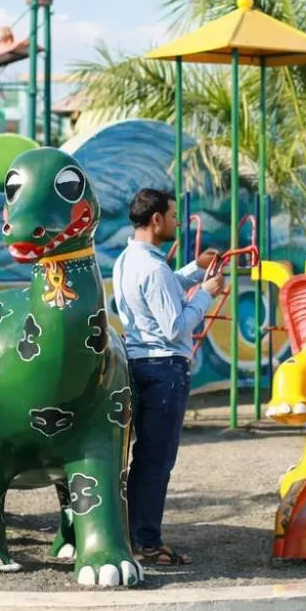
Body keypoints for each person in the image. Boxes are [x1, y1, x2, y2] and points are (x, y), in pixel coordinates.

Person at [111, 187, 225, 567]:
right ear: (156, 219)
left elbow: (160, 289)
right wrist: (205, 293)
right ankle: (147, 542)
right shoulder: (154, 268)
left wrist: (194, 271)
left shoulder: (128, 260)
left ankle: (130, 534)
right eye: (173, 216)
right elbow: (177, 325)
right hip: (165, 370)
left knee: (139, 457)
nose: (177, 221)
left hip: (138, 364)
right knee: (156, 461)